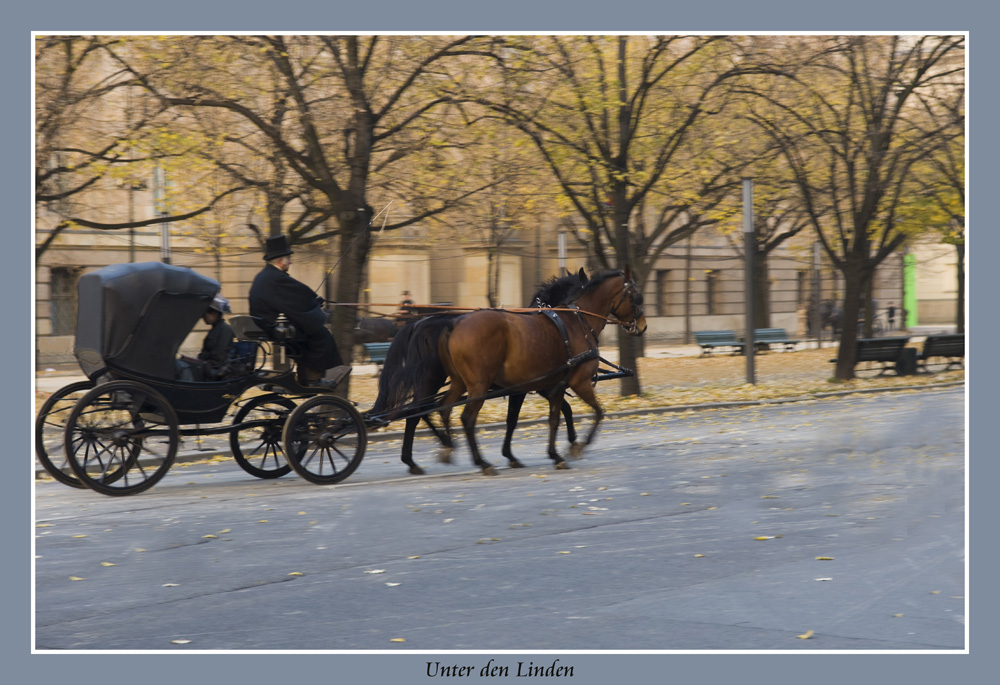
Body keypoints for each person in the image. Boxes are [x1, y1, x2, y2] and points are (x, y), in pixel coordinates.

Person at [248, 234, 351, 388]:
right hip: (275, 327)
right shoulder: (275, 278)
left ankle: (305, 376)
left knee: (308, 334)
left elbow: (291, 298)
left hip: (269, 324)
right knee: (320, 334)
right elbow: (298, 295)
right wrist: (313, 301)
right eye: (288, 258)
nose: (290, 261)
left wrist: (311, 302)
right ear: (280, 260)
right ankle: (312, 378)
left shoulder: (265, 276)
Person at [176, 296, 236, 381]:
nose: (203, 317)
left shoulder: (226, 329)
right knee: (179, 363)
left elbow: (218, 355)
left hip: (213, 366)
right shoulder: (215, 328)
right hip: (206, 364)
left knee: (184, 367)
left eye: (205, 314)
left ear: (215, 314)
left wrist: (202, 359)